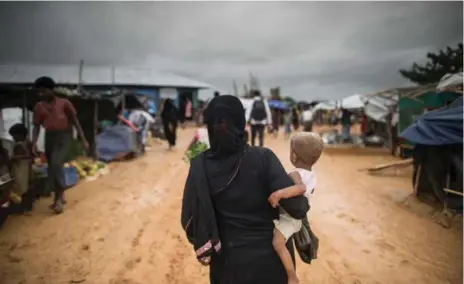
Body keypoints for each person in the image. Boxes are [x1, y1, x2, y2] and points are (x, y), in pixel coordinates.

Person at [181, 95, 309, 284]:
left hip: (227, 268)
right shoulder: (263, 158)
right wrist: (299, 187)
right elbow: (298, 208)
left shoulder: (200, 166)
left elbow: (190, 221)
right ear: (242, 122)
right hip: (270, 265)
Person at [268, 132, 323, 284]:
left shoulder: (296, 173)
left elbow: (300, 188)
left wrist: (279, 193)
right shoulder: (312, 174)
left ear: (294, 155)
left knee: (277, 244)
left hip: (289, 218)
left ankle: (292, 276)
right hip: (297, 217)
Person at [32, 76, 89, 214]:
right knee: (52, 167)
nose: (41, 94)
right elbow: (36, 127)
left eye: (44, 91)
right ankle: (59, 196)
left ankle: (59, 199)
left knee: (56, 163)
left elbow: (75, 121)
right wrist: (34, 143)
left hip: (63, 136)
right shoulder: (39, 107)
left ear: (52, 90)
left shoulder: (64, 103)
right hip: (49, 137)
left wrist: (83, 139)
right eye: (39, 92)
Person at [9, 123, 35, 214]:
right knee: (28, 186)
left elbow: (26, 154)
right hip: (28, 166)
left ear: (19, 135)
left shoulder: (19, 144)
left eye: (14, 136)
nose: (13, 138)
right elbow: (32, 155)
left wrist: (14, 158)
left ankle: (19, 208)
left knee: (19, 187)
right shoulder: (29, 142)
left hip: (20, 168)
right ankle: (28, 206)